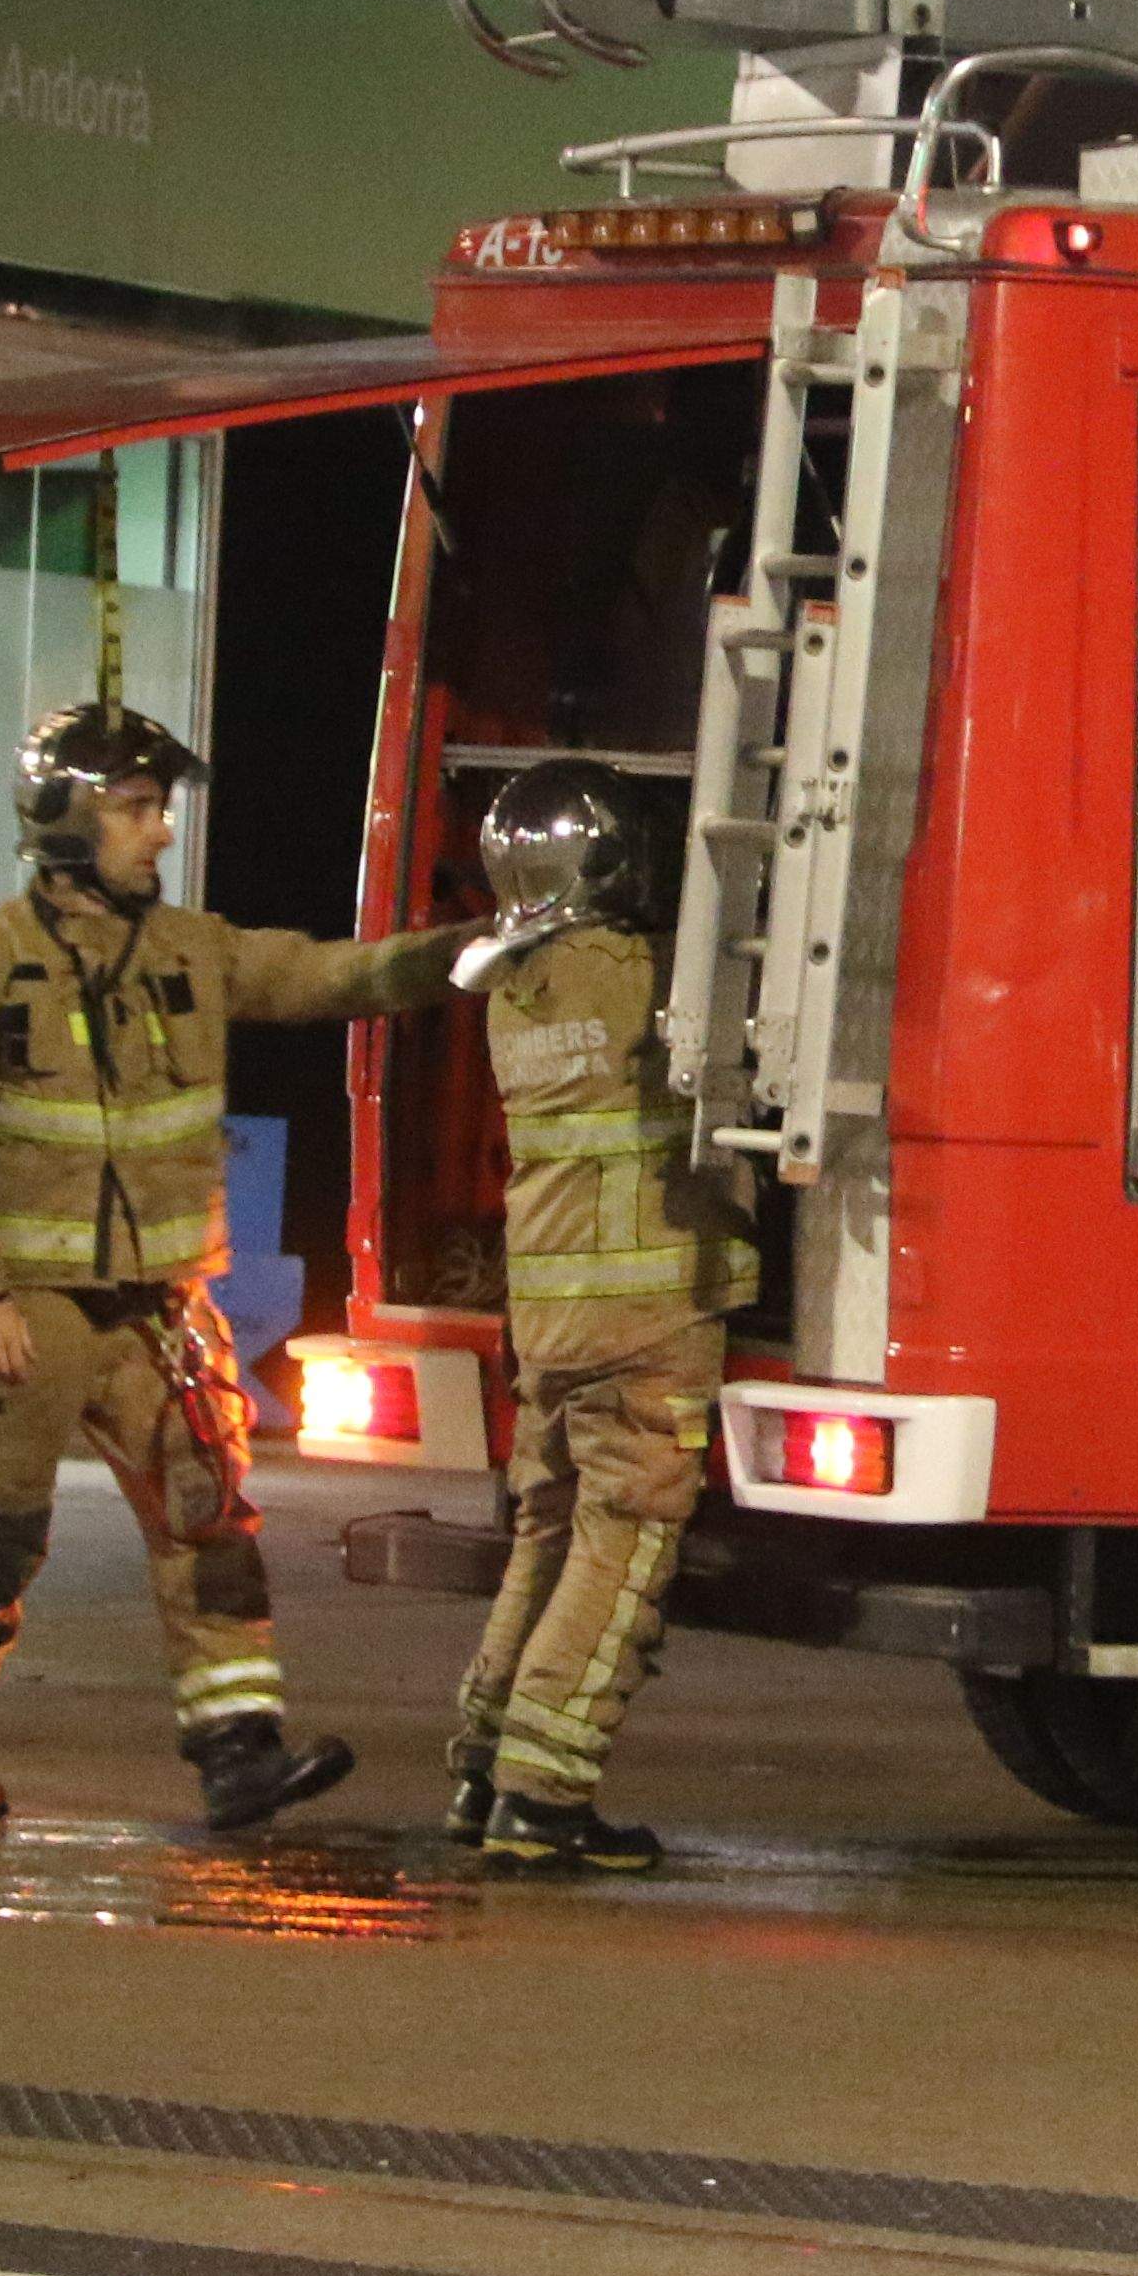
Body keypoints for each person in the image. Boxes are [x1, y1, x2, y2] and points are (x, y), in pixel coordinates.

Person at [0, 704, 458, 1834]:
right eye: (136, 809)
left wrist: (465, 956)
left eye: (160, 809)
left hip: (164, 1315)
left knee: (212, 1532)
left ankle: (238, 1753)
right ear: (64, 821)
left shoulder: (192, 953)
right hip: (32, 1318)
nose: (160, 833)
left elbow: (330, 976)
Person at [369, 759, 756, 1875]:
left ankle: (486, 1764)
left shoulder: (514, 985)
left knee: (548, 1529)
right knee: (622, 1542)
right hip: (647, 1311)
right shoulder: (642, 974)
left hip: (550, 1310)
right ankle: (545, 1793)